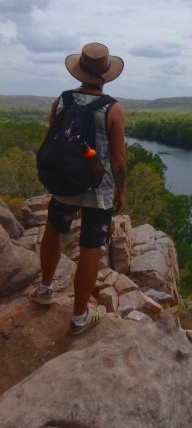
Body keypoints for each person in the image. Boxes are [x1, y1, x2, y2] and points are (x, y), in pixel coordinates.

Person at [30, 42, 126, 335]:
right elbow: (118, 159)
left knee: (54, 230)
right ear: (105, 75)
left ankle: (45, 289)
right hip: (98, 187)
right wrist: (120, 192)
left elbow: (55, 141)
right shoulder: (113, 108)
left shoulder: (61, 101)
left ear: (79, 72)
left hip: (65, 182)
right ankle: (79, 318)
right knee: (90, 247)